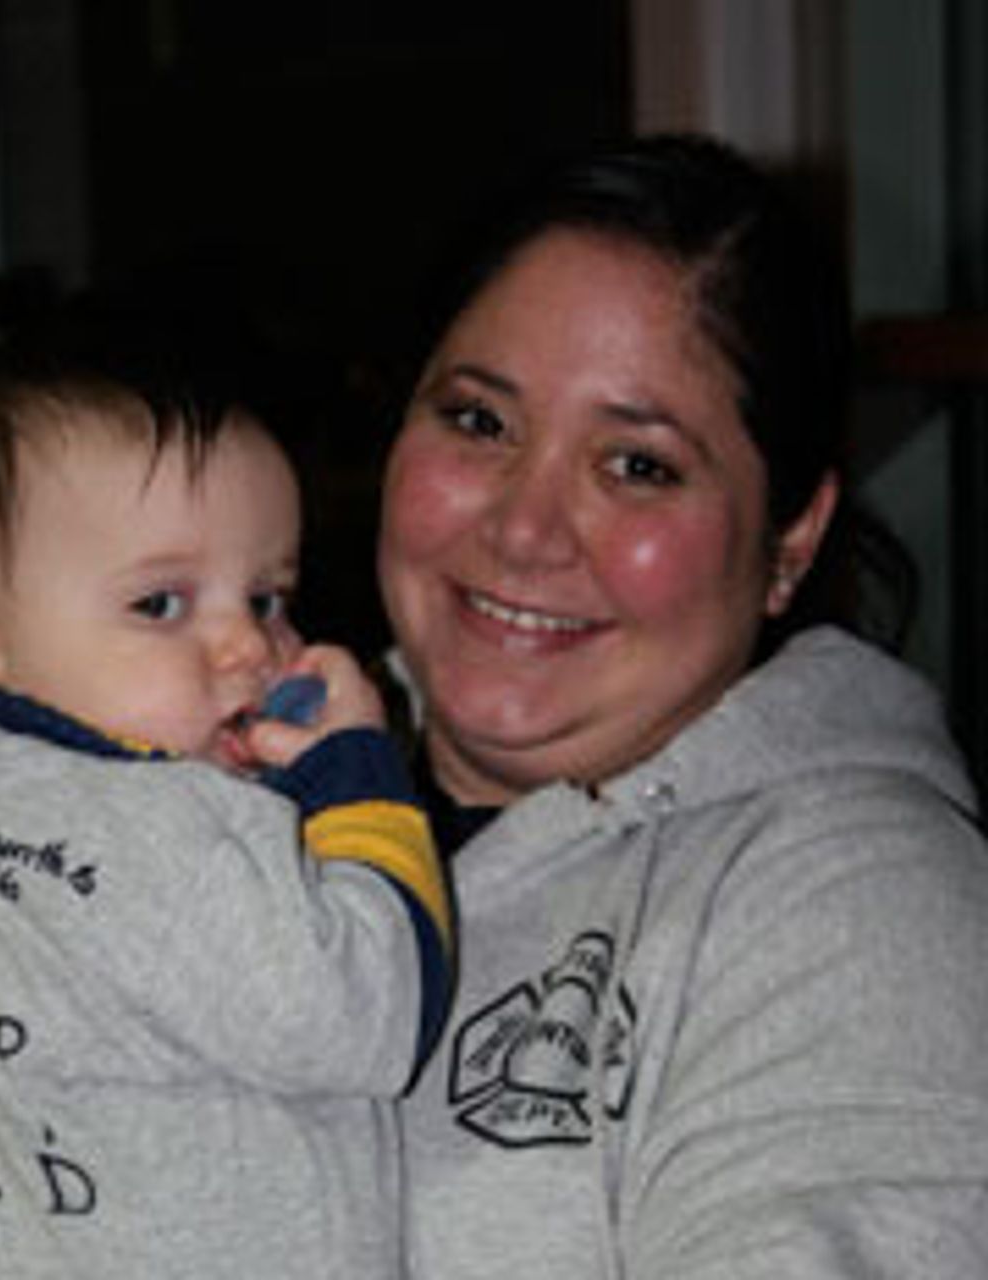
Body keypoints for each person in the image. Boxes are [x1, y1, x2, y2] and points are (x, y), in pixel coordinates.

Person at [376, 132, 988, 1278]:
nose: (522, 527)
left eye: (637, 465)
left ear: (789, 538)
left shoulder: (854, 907)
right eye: (478, 421)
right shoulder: (221, 798)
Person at [0, 341, 451, 1278]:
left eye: (267, 598)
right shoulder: (151, 826)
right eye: (159, 604)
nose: (248, 646)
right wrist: (355, 784)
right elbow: (370, 1015)